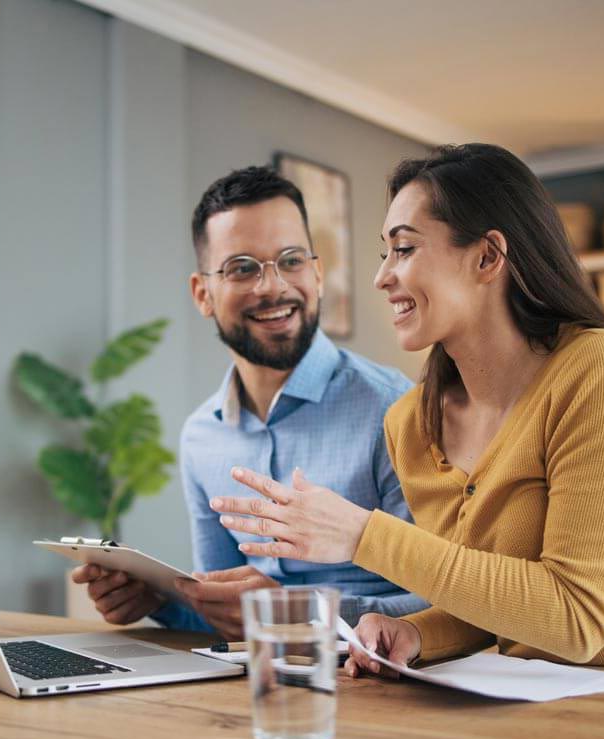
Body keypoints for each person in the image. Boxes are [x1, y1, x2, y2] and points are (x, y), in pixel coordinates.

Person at [209, 144, 604, 676]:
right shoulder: (411, 424)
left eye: (404, 249)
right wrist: (415, 632)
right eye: (383, 253)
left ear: (487, 257)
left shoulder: (603, 371)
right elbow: (492, 600)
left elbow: (576, 618)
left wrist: (364, 536)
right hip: (538, 719)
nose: (382, 277)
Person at [71, 166, 428, 640]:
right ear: (203, 294)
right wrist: (159, 601)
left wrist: (293, 612)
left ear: (318, 274)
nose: (272, 286)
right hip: (245, 685)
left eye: (291, 260)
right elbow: (227, 614)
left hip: (379, 681)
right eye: (242, 267)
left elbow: (442, 601)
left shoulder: (396, 408)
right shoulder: (202, 436)